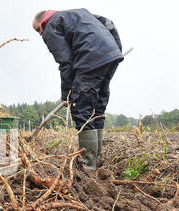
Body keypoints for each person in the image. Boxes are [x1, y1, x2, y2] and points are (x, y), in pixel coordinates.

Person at [32, 9, 123, 170]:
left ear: (41, 24)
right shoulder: (79, 14)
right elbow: (109, 23)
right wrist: (116, 51)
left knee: (81, 109)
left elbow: (66, 62)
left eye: (38, 31)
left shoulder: (50, 25)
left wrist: (66, 93)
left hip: (90, 59)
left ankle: (88, 167)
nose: (41, 36)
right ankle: (95, 160)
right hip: (111, 56)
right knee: (97, 108)